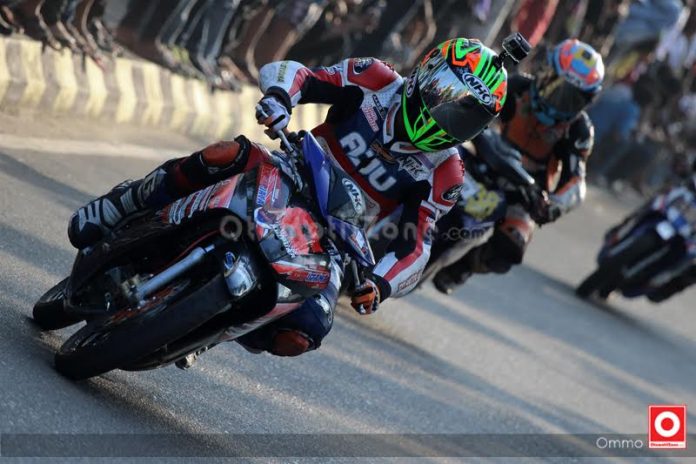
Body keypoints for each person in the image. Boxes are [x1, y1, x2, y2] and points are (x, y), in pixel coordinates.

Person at [66, 37, 510, 362]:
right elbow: (302, 76)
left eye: (464, 115)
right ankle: (124, 203)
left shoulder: (447, 172)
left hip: (335, 239)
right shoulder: (375, 78)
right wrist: (281, 99)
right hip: (289, 170)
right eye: (446, 97)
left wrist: (381, 283)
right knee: (224, 154)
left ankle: (207, 331)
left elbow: (418, 245)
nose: (445, 116)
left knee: (302, 334)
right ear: (429, 71)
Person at [433, 39, 604, 293]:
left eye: (572, 99)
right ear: (545, 71)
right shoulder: (516, 86)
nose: (559, 101)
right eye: (557, 87)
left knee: (511, 246)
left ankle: (463, 267)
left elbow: (576, 181)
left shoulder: (579, 130)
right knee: (428, 157)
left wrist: (554, 205)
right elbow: (470, 105)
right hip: (482, 156)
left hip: (524, 190)